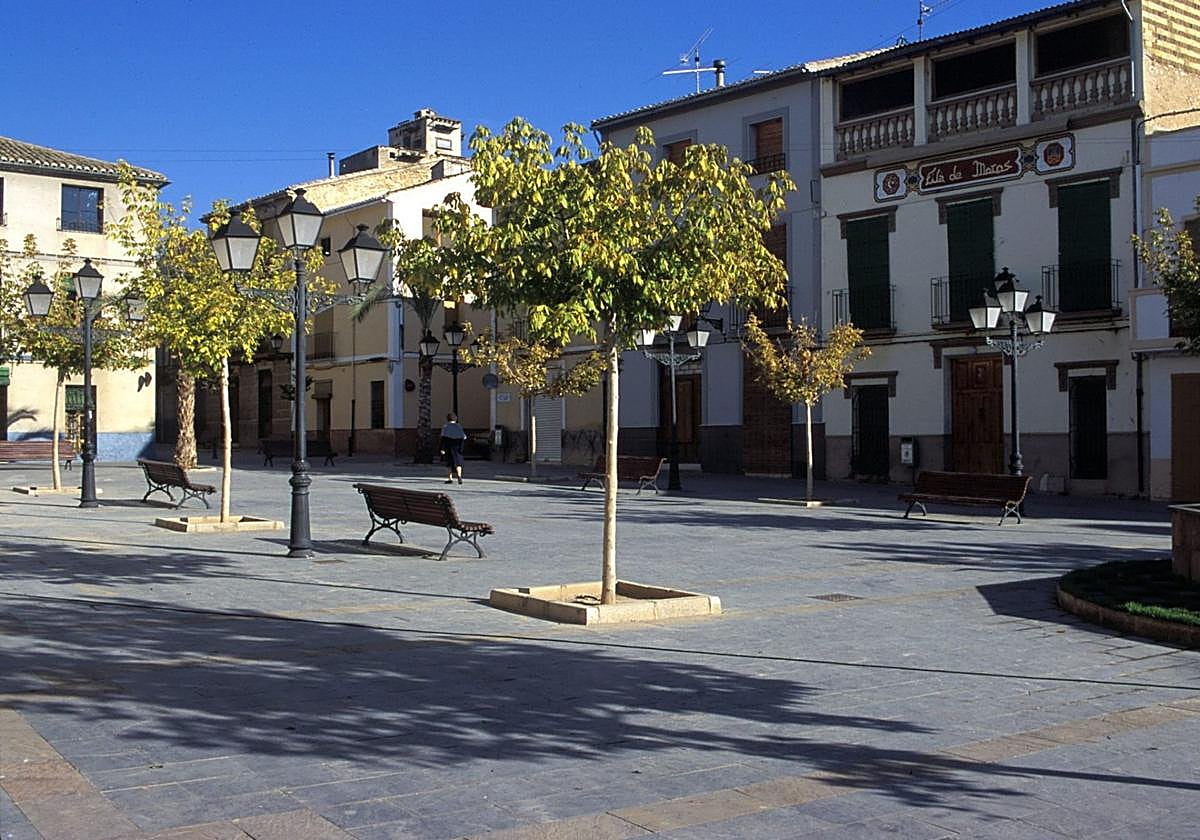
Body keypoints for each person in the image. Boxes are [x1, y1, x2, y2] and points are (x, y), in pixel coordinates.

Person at [439, 412, 467, 484]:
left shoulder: (445, 427)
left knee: (449, 463)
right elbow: (464, 437)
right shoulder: (459, 426)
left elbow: (443, 438)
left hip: (449, 447)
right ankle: (459, 476)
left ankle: (450, 478)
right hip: (457, 447)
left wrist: (442, 448)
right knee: (458, 463)